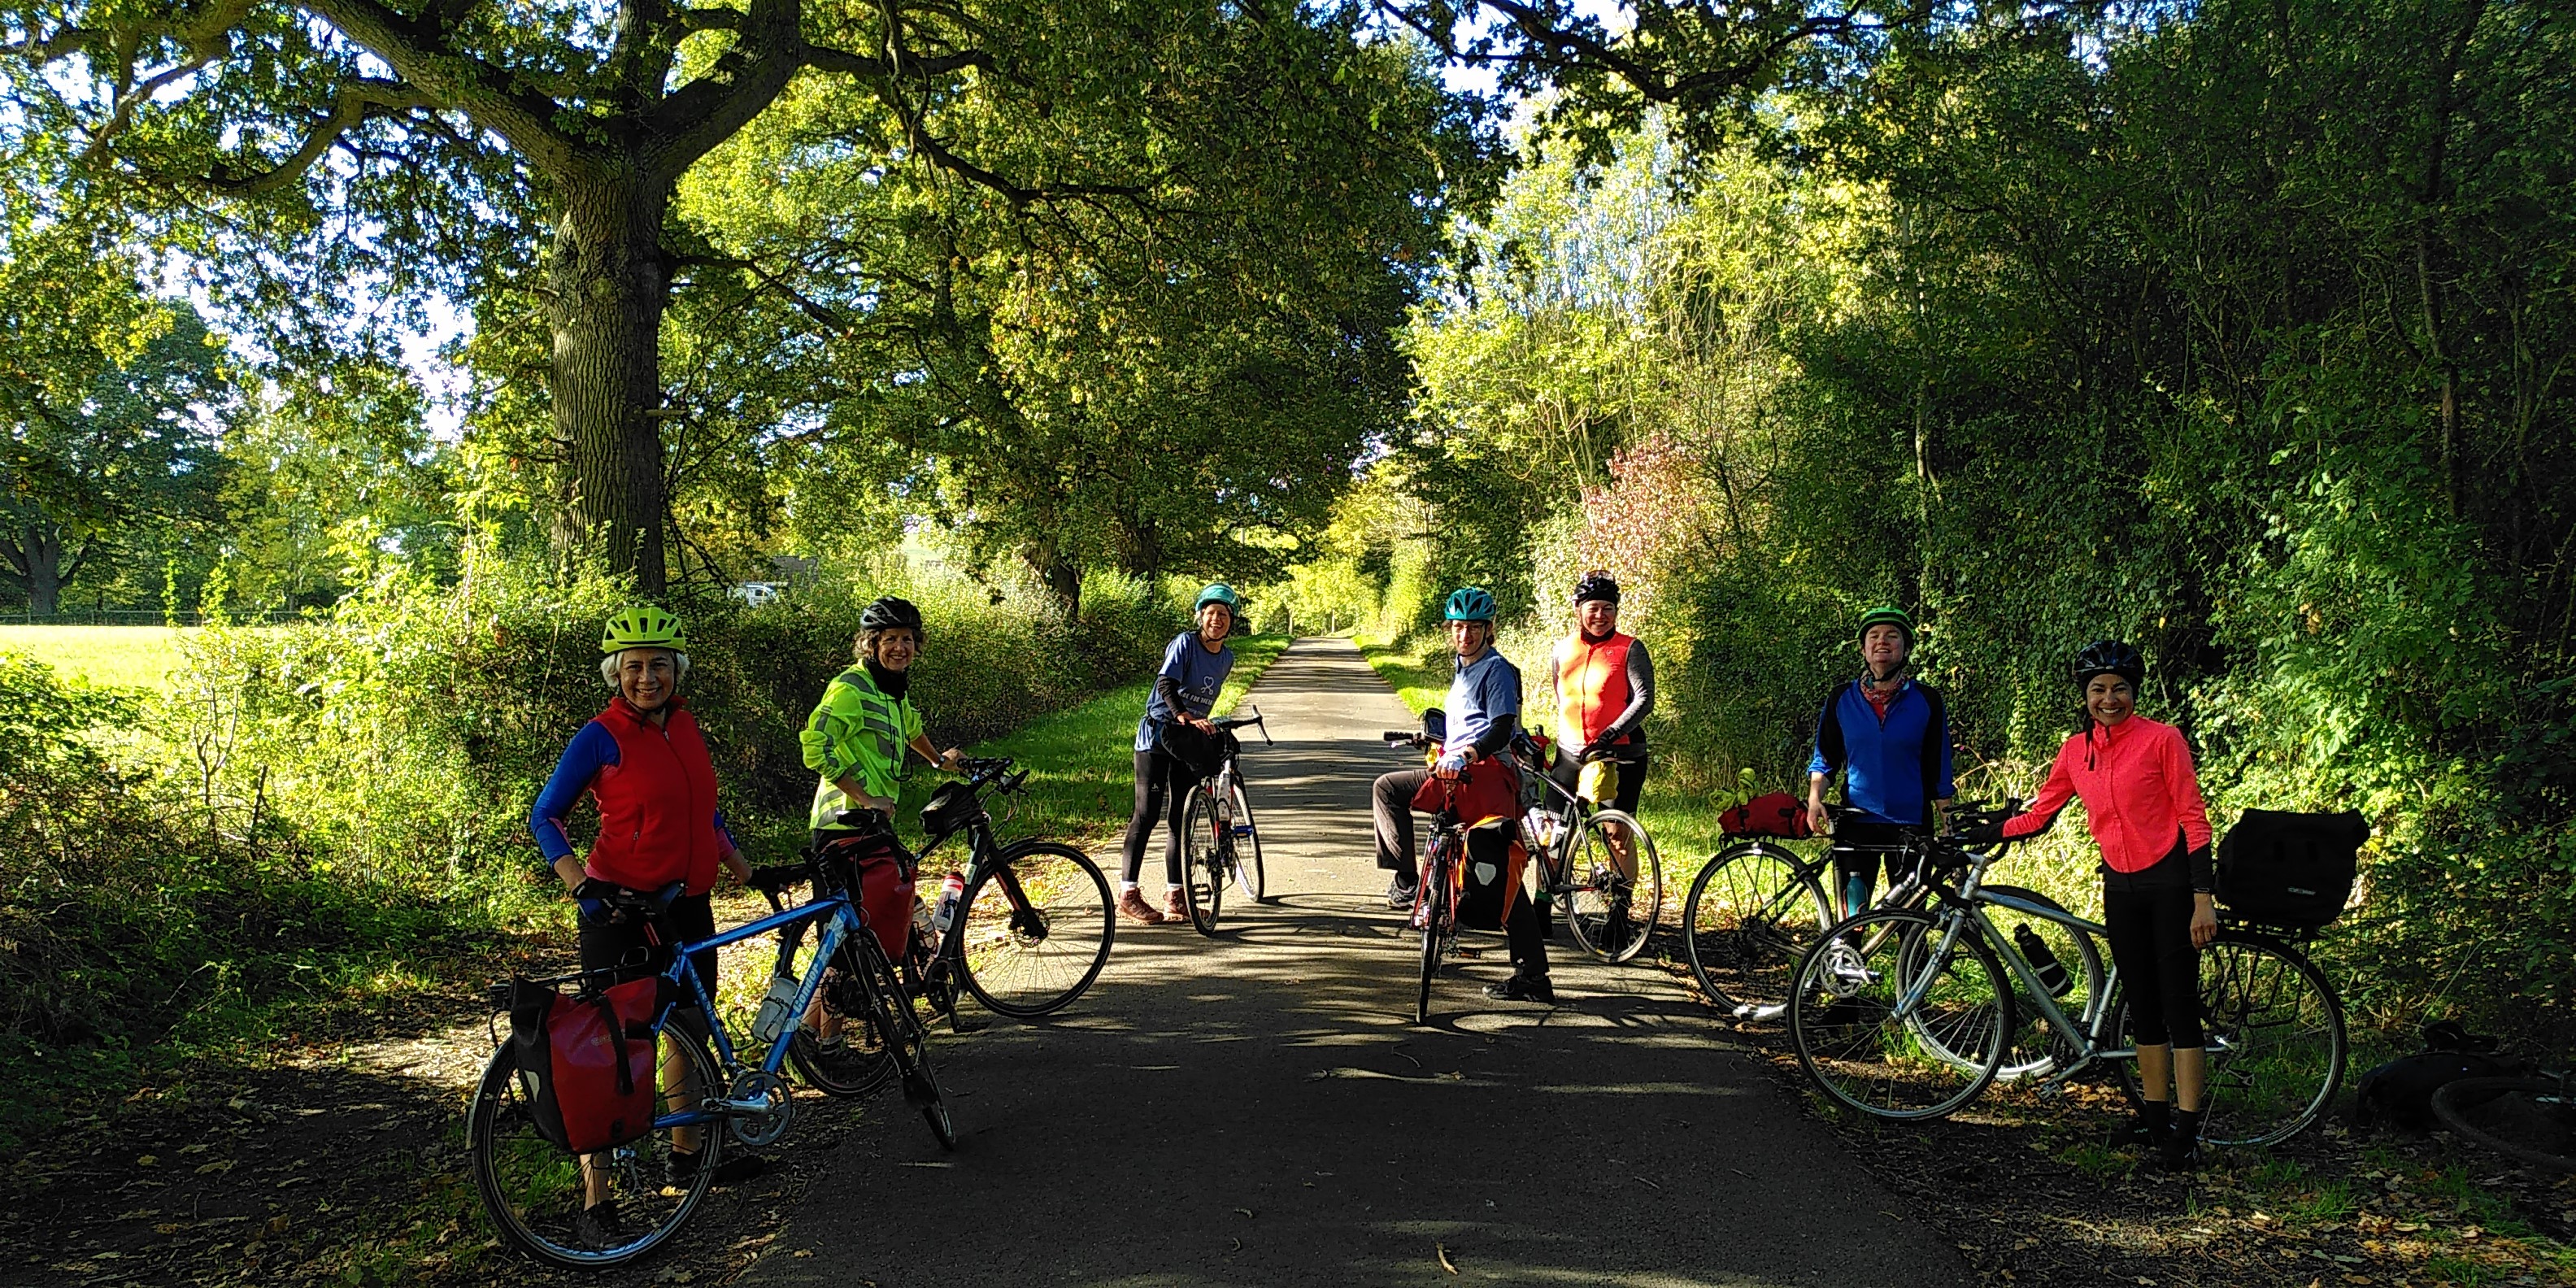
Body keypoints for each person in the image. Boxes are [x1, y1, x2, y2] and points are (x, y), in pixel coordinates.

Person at [529, 605, 758, 1242]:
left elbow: (704, 813)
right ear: (616, 673)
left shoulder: (684, 726)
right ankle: (596, 1201)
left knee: (689, 1029)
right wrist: (581, 884)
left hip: (686, 907)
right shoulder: (600, 736)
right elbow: (545, 816)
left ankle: (687, 1158)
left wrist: (747, 872)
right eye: (633, 666)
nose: (647, 678)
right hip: (621, 912)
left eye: (659, 665)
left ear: (677, 669)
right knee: (609, 1052)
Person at [1960, 640, 2217, 1169]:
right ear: (2085, 696)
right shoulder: (2076, 751)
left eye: (2120, 689)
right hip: (2120, 888)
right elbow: (2041, 814)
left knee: (2177, 1007)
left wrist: (2202, 898)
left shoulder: (2162, 739)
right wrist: (1986, 831)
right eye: (2098, 689)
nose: (2109, 699)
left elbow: (2193, 820)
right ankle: (2154, 1120)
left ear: (2134, 693)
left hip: (2170, 885)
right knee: (2142, 1009)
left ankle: (2187, 1133)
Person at [1370, 587, 1552, 1002]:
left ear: (1489, 629)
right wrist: (1439, 742)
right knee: (1390, 791)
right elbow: (1468, 722)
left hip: (1485, 777)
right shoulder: (1463, 668)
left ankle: (1533, 977)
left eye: (1473, 627)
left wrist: (1467, 753)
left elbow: (1501, 726)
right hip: (1456, 775)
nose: (1465, 635)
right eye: (1458, 627)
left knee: (1501, 872)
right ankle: (1409, 880)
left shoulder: (1496, 670)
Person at [800, 595, 965, 968]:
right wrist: (864, 797)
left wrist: (940, 761)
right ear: (871, 643)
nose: (900, 648)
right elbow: (814, 746)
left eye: (907, 639)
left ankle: (855, 1002)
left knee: (871, 931)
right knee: (844, 946)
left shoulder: (891, 689)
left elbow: (911, 729)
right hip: (842, 825)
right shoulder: (851, 688)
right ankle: (826, 1008)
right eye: (890, 639)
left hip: (871, 826)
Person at [1805, 606, 1954, 918]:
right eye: (1873, 636)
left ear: (1906, 648)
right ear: (1863, 649)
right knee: (1853, 920)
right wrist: (1814, 799)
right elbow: (1825, 758)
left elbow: (1938, 766)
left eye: (1892, 636)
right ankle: (1848, 952)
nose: (1882, 641)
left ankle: (1907, 954)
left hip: (1911, 824)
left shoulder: (1927, 700)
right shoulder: (1841, 699)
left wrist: (1948, 820)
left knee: (1910, 922)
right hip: (1856, 823)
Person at [1116, 585, 1239, 925]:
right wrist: (1182, 714)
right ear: (1201, 616)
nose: (1216, 620)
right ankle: (1128, 895)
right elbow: (1166, 684)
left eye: (1223, 615)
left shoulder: (1226, 658)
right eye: (1211, 613)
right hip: (1158, 736)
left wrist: (1201, 724)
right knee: (1146, 815)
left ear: (1231, 621)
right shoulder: (1185, 643)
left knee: (1179, 820)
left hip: (1185, 742)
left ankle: (1176, 897)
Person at [1547, 571, 1654, 941]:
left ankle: (1619, 916)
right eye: (1593, 608)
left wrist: (1609, 734)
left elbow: (1644, 700)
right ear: (1578, 610)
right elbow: (1563, 696)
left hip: (1618, 754)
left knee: (1616, 833)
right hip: (1570, 753)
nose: (1600, 615)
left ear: (1616, 611)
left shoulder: (1629, 649)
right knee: (1552, 830)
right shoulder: (1562, 650)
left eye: (1608, 608)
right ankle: (1541, 906)